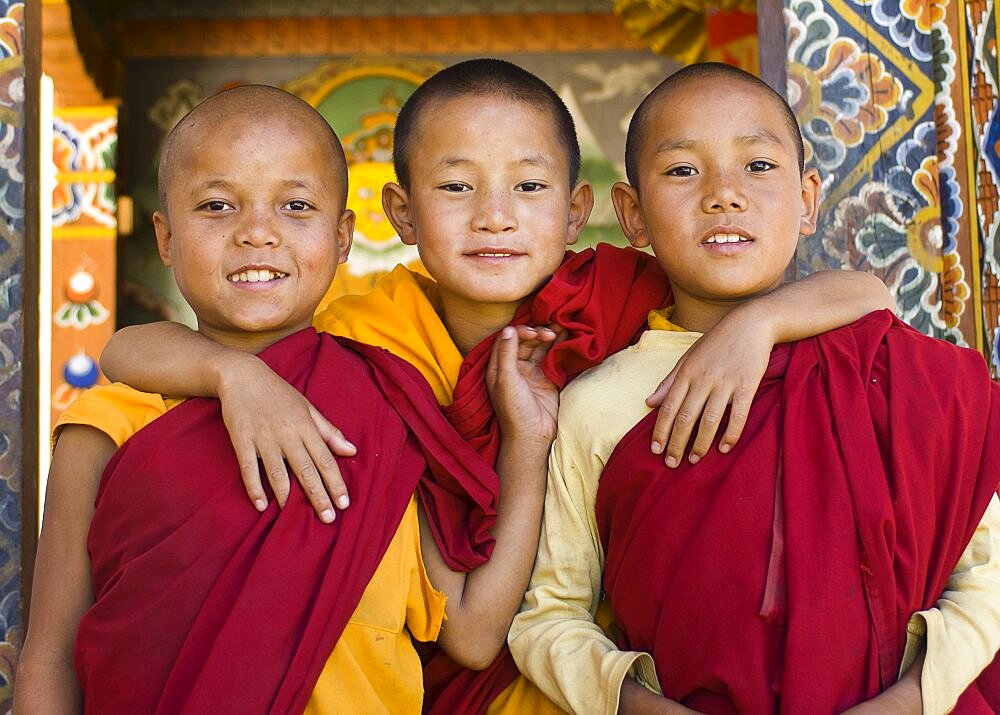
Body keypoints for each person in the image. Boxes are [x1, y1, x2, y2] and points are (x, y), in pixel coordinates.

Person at [97, 61, 897, 714]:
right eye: (456, 188)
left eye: (528, 187)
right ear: (400, 216)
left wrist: (755, 327)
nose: (494, 218)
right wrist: (231, 372)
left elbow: (869, 294)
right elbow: (127, 350)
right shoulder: (360, 341)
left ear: (581, 209)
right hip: (456, 678)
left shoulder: (628, 295)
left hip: (630, 674)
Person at [15, 85, 563, 713]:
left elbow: (471, 629)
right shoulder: (108, 426)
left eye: (296, 206)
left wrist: (527, 441)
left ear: (343, 237)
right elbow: (50, 656)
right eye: (218, 206)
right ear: (165, 239)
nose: (258, 234)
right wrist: (233, 375)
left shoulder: (387, 407)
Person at [508, 62, 1000, 715]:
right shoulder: (601, 403)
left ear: (808, 199)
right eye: (683, 170)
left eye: (759, 167)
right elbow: (548, 616)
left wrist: (908, 702)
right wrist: (633, 703)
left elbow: (987, 578)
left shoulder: (899, 370)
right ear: (633, 215)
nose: (724, 195)